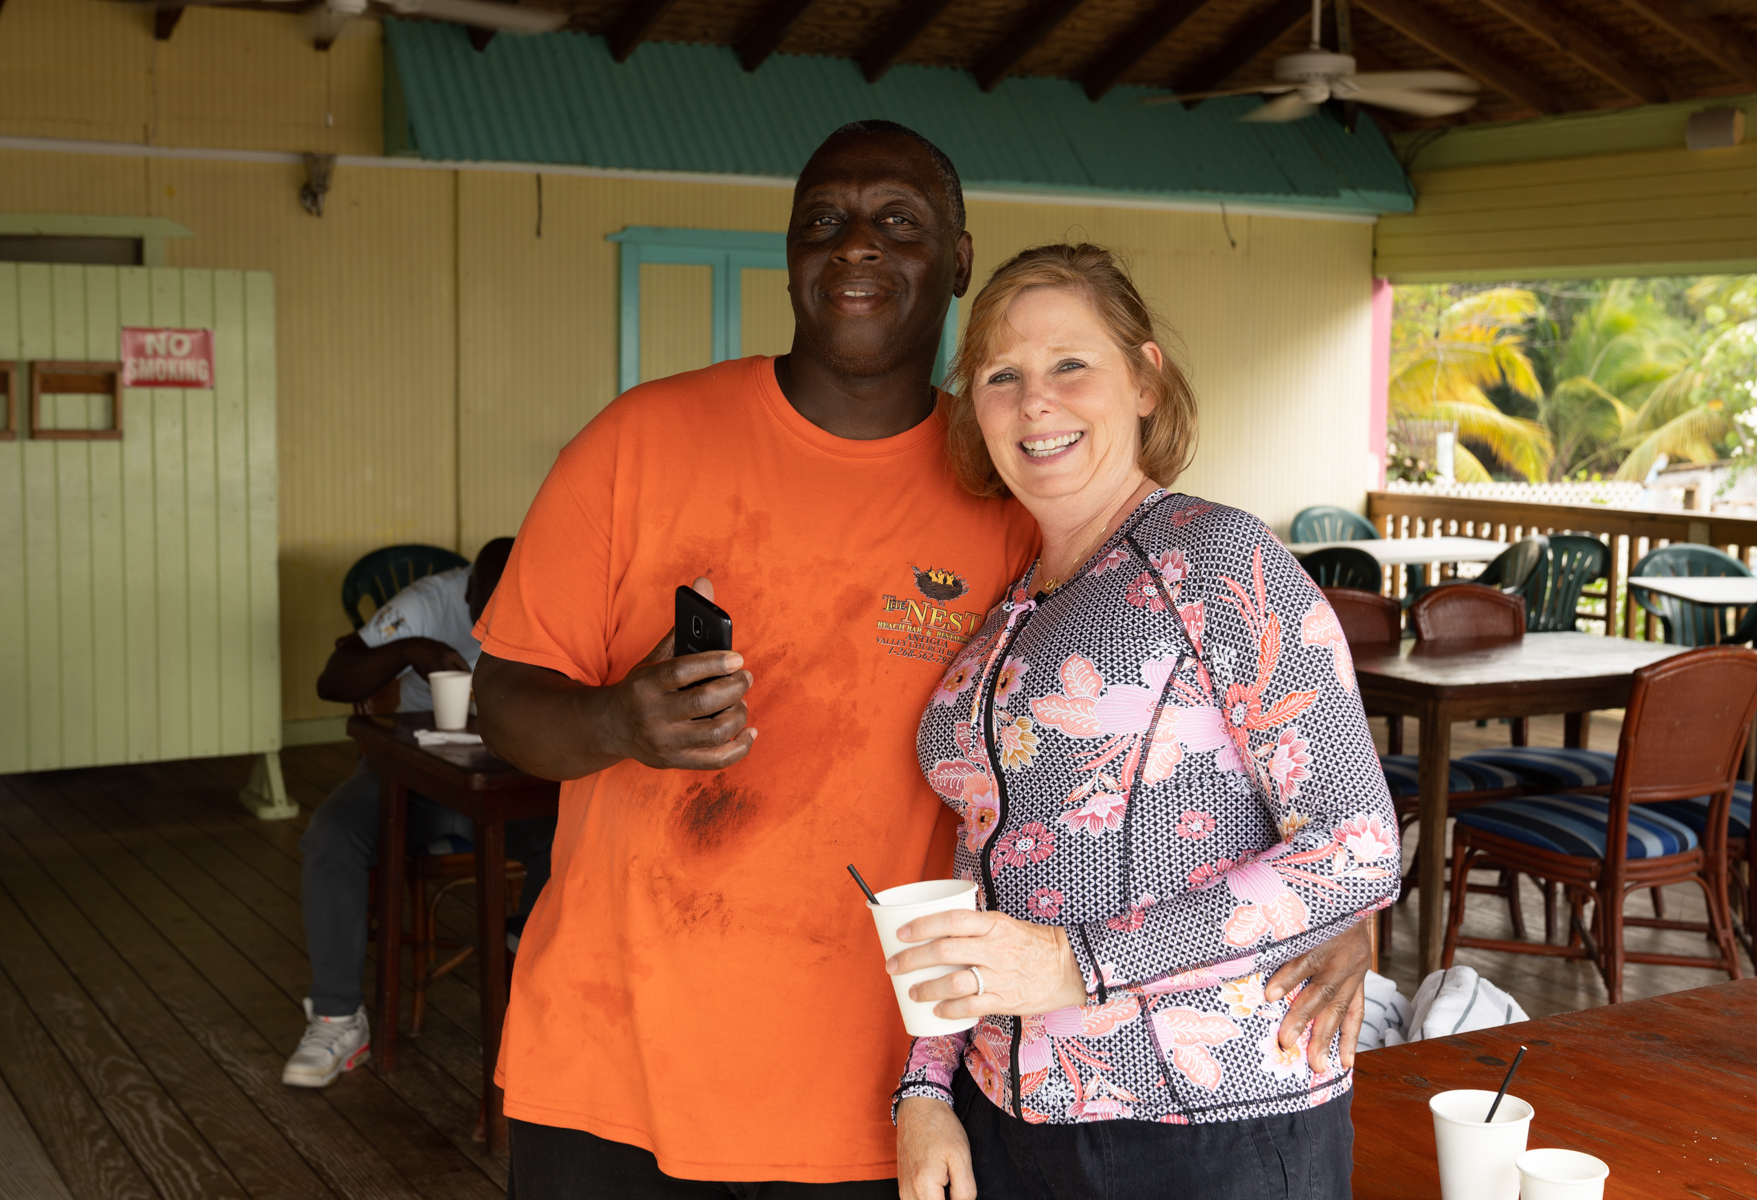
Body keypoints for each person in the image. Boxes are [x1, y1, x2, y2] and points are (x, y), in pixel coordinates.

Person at [473, 123, 1377, 1197]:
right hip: (658, 1067)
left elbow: (1334, 814)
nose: (855, 246)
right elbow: (991, 845)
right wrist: (619, 723)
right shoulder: (646, 443)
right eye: (823, 220)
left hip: (1005, 1098)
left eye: (898, 221)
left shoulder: (1106, 525)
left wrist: (1348, 911)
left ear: (956, 256)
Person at [889, 244, 1400, 1200]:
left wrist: (1076, 963)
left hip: (1209, 1122)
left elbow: (1358, 847)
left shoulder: (1217, 558)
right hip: (1012, 1118)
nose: (1035, 401)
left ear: (1146, 382)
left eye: (1070, 364)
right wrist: (927, 1085)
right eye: (1002, 375)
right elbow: (984, 855)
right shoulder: (1008, 609)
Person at [282, 537, 555, 1088]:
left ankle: (529, 977)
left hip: (513, 784)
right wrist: (409, 651)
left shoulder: (549, 600)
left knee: (579, 838)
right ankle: (337, 1019)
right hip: (416, 780)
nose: (493, 626)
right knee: (332, 835)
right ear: (467, 588)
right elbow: (333, 680)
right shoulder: (428, 602)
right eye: (484, 611)